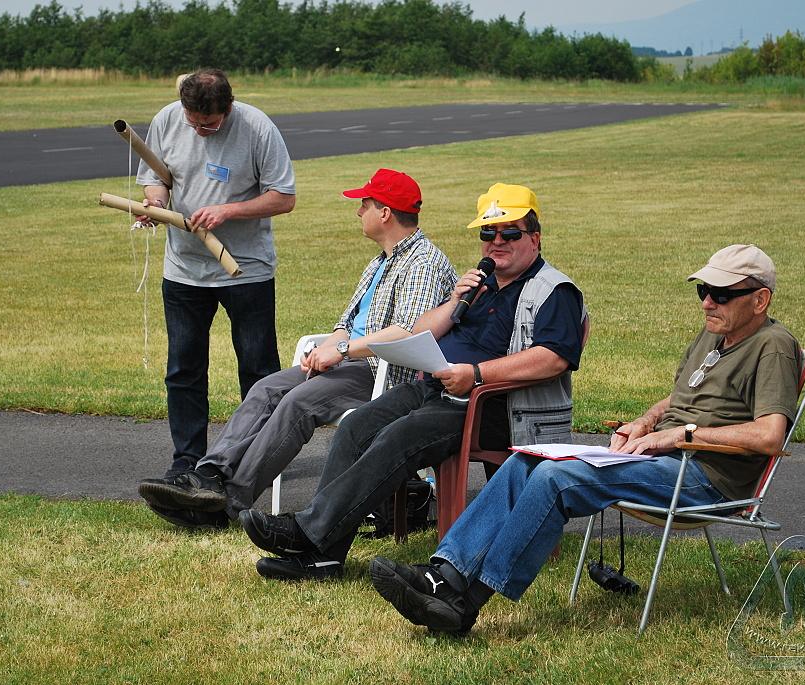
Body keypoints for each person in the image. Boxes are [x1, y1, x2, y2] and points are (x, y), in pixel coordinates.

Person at [370, 244, 803, 635]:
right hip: (667, 458)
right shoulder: (716, 333)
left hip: (706, 478)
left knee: (555, 479)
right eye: (703, 291)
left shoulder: (773, 346)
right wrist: (646, 422)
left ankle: (465, 603)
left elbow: (769, 435)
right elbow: (684, 397)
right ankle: (443, 575)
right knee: (525, 461)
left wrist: (680, 434)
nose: (707, 302)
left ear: (760, 299)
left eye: (721, 294)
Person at [238, 183, 586, 580]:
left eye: (510, 233)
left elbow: (553, 359)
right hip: (437, 389)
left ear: (535, 238)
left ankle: (308, 532)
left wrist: (475, 375)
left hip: (494, 406)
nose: (497, 242)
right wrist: (455, 301)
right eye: (488, 233)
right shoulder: (482, 285)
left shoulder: (554, 290)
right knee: (356, 426)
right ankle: (324, 557)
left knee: (398, 436)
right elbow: (421, 331)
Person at [138, 169, 456, 526]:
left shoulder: (423, 262)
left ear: (384, 212)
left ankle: (228, 503)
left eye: (364, 204)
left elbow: (405, 333)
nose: (358, 212)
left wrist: (342, 350)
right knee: (266, 388)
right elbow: (346, 324)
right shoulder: (382, 261)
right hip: (353, 362)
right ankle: (207, 477)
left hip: (382, 372)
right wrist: (325, 351)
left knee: (298, 403)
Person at [135, 68, 296, 499]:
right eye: (193, 122)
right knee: (183, 369)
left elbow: (284, 197)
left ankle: (258, 458)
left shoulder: (257, 127)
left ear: (228, 107)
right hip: (184, 270)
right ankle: (186, 460)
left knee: (259, 370)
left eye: (208, 124)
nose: (199, 130)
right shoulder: (168, 118)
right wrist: (155, 205)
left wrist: (227, 211)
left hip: (246, 269)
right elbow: (156, 178)